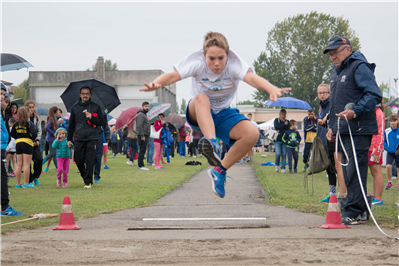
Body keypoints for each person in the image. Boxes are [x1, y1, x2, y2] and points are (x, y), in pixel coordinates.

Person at [140, 31, 290, 198]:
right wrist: (157, 83)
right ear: (204, 56)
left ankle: (219, 170)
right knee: (203, 98)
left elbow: (252, 79)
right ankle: (212, 144)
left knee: (252, 133)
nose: (217, 63)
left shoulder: (234, 65)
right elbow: (173, 75)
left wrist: (270, 88)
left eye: (221, 58)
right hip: (199, 112)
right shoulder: (197, 63)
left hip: (223, 114)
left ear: (227, 55)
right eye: (211, 58)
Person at [325, 36, 382, 225]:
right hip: (343, 130)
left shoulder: (359, 66)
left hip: (358, 128)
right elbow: (335, 104)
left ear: (348, 49)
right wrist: (332, 127)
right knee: (349, 171)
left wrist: (355, 111)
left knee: (355, 170)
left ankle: (355, 210)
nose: (333, 56)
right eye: (330, 54)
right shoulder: (335, 73)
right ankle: (360, 209)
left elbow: (374, 94)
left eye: (336, 52)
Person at [67, 86, 103, 189]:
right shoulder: (74, 108)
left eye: (87, 93)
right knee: (78, 160)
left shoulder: (96, 107)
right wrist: (69, 139)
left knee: (90, 160)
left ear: (90, 95)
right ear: (80, 95)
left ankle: (87, 182)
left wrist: (92, 118)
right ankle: (85, 176)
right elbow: (71, 125)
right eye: (83, 93)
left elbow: (101, 122)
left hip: (92, 137)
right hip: (79, 137)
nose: (85, 95)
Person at [0, 83, 23, 216]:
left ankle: (4, 206)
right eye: (0, 94)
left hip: (2, 147)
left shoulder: (2, 110)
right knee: (3, 176)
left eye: (4, 94)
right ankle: (4, 207)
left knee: (2, 176)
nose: (2, 97)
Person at [316, 84, 342, 203]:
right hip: (323, 141)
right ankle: (332, 194)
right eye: (320, 93)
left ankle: (342, 193)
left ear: (329, 93)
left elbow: (334, 118)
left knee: (338, 168)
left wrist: (326, 120)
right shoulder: (321, 106)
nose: (322, 95)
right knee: (329, 169)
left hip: (333, 141)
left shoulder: (332, 104)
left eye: (324, 92)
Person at [11, 107, 37, 188]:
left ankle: (18, 184)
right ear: (27, 114)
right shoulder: (29, 123)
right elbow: (34, 135)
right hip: (27, 143)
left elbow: (12, 134)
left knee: (19, 164)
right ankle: (26, 183)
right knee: (26, 164)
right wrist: (31, 138)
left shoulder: (15, 124)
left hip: (18, 143)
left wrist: (19, 137)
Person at [369, 102, 385, 205]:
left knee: (377, 172)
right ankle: (374, 195)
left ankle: (379, 198)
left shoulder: (379, 114)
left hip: (375, 148)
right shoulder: (371, 112)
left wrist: (377, 150)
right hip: (369, 146)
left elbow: (380, 133)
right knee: (373, 173)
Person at [25, 100, 43, 186]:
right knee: (27, 162)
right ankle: (29, 180)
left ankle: (35, 176)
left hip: (35, 142)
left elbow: (39, 129)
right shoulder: (24, 118)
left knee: (39, 159)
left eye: (33, 107)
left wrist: (37, 140)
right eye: (30, 107)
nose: (31, 109)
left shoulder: (36, 117)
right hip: (26, 142)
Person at [383, 114, 399, 191]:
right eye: (391, 121)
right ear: (389, 122)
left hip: (398, 153)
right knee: (388, 166)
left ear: (397, 121)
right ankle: (389, 183)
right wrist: (386, 148)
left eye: (394, 121)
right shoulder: (386, 131)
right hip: (390, 152)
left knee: (398, 169)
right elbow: (384, 141)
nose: (393, 123)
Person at [42, 106, 59, 172]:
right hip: (51, 139)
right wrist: (54, 133)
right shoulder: (51, 119)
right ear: (55, 111)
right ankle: (40, 164)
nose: (58, 112)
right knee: (52, 154)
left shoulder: (53, 118)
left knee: (54, 154)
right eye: (57, 110)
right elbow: (47, 127)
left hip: (52, 139)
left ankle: (58, 168)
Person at [94, 114, 110, 183]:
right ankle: (87, 175)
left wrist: (107, 136)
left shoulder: (102, 111)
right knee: (88, 156)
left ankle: (97, 176)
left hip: (99, 134)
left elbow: (105, 125)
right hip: (88, 134)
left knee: (98, 156)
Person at [135, 101, 150, 171]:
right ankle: (140, 165)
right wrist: (142, 135)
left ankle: (141, 165)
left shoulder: (144, 114)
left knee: (143, 150)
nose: (147, 108)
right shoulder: (141, 115)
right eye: (146, 106)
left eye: (148, 106)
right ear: (142, 107)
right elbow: (139, 126)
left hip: (145, 134)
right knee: (142, 150)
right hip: (142, 135)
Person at [274, 109, 290, 173]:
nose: (283, 115)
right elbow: (276, 127)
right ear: (280, 114)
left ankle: (283, 168)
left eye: (284, 113)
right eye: (282, 113)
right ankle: (277, 165)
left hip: (284, 140)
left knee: (284, 154)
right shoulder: (276, 120)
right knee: (278, 153)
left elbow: (288, 130)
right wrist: (284, 124)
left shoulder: (287, 121)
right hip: (277, 140)